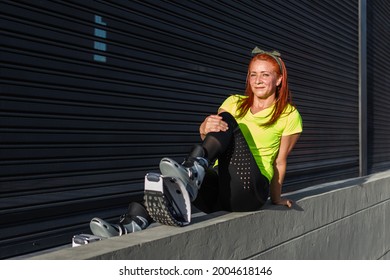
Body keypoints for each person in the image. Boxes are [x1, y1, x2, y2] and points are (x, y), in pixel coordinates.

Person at [89, 46, 302, 237]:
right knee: (168, 183)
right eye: (253, 74)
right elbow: (216, 140)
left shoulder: (289, 115)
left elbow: (279, 162)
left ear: (279, 79)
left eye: (265, 75)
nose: (258, 80)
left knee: (226, 121)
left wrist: (276, 199)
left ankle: (192, 170)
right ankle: (129, 225)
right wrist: (204, 127)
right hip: (220, 191)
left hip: (250, 191)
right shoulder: (233, 102)